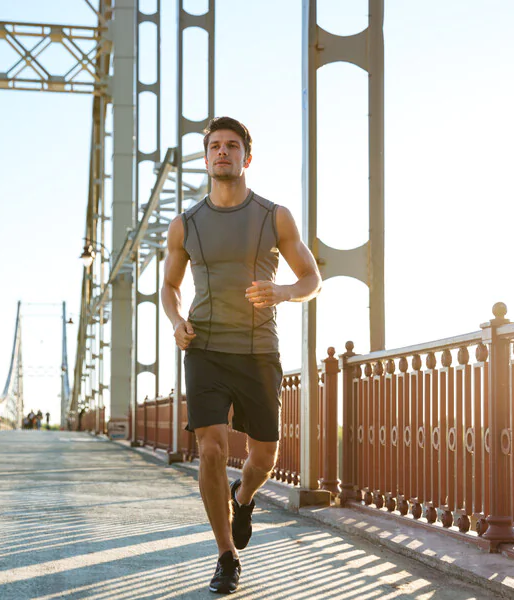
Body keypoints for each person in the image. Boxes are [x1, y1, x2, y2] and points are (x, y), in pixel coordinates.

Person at [161, 116, 321, 594]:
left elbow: (312, 280)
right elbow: (169, 287)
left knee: (263, 456)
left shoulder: (275, 216)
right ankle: (226, 556)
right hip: (205, 346)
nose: (223, 153)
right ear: (206, 158)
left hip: (257, 352)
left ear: (246, 158)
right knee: (210, 448)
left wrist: (284, 291)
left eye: (232, 146)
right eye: (215, 146)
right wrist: (175, 321)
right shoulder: (185, 224)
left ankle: (244, 495)